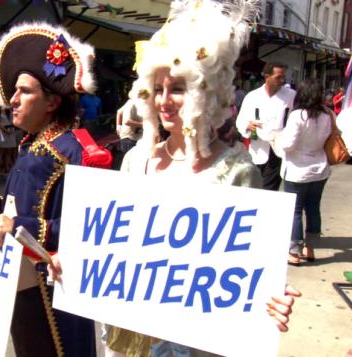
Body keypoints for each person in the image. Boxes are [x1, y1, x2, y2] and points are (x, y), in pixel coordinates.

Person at [49, 1, 300, 356]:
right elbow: (116, 250)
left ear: (207, 92)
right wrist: (74, 263)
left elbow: (246, 274)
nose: (164, 101)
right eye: (158, 87)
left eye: (178, 88)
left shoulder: (237, 171)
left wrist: (271, 297)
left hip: (193, 345)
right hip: (128, 339)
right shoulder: (137, 160)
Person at [0, 22, 105, 357]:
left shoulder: (75, 150)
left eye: (24, 91)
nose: (12, 99)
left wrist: (20, 227)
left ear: (52, 102)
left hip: (56, 294)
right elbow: (17, 211)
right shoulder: (32, 144)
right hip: (20, 283)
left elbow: (87, 230)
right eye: (14, 91)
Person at [271, 78, 332, 265]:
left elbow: (288, 145)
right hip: (320, 168)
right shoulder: (327, 115)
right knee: (313, 208)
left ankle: (294, 252)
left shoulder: (298, 115)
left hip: (297, 169)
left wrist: (276, 138)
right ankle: (310, 248)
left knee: (295, 211)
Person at [236, 62, 296, 191]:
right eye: (278, 77)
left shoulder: (291, 96)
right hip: (257, 148)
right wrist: (248, 126)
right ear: (266, 76)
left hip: (278, 150)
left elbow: (296, 119)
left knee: (269, 189)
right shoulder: (253, 96)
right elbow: (240, 120)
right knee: (253, 186)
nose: (281, 81)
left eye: (283, 77)